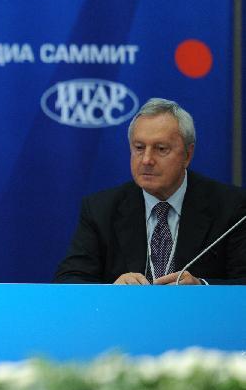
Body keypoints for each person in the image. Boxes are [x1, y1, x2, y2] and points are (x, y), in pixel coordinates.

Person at [55, 98, 246, 285]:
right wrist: (112, 290)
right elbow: (69, 280)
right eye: (139, 148)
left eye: (161, 149)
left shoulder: (232, 207)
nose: (146, 159)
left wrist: (202, 287)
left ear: (188, 155)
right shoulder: (100, 209)